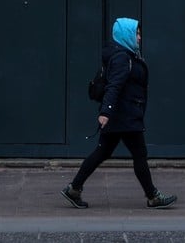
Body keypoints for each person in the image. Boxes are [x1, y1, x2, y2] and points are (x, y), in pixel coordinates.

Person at [61, 17, 177, 210]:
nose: (139, 38)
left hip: (122, 113)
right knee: (139, 153)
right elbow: (114, 86)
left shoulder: (124, 54)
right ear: (126, 35)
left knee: (102, 152)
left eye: (139, 34)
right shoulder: (122, 58)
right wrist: (106, 111)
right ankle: (153, 196)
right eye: (136, 33)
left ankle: (74, 188)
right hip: (125, 115)